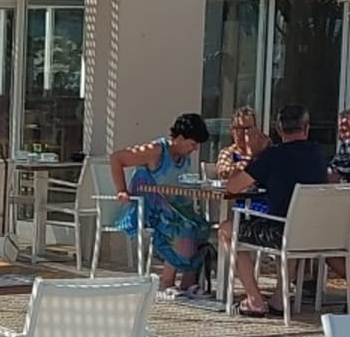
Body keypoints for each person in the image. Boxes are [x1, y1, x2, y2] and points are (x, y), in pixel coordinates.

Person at [223, 105, 330, 317]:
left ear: (279, 129)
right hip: (313, 232)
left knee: (226, 229)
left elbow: (233, 186)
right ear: (306, 128)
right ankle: (280, 299)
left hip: (282, 232)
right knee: (291, 224)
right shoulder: (318, 154)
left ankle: (254, 299)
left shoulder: (273, 156)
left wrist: (255, 156)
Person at [108, 112, 217, 295]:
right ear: (180, 139)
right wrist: (122, 190)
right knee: (182, 227)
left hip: (172, 206)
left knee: (201, 226)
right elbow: (116, 158)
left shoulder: (183, 156)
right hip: (149, 207)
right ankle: (166, 281)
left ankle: (188, 282)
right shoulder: (156, 150)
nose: (195, 149)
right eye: (192, 144)